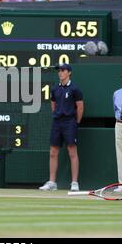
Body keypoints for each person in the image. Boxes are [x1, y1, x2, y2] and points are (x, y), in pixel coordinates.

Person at [40, 63, 84, 192]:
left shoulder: (75, 89)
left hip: (70, 122)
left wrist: (76, 122)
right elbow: (53, 105)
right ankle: (52, 182)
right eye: (59, 70)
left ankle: (74, 182)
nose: (60, 73)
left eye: (63, 70)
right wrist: (57, 115)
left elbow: (80, 107)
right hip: (57, 122)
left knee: (72, 152)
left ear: (69, 72)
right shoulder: (55, 89)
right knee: (53, 152)